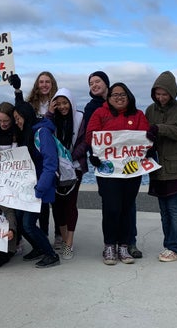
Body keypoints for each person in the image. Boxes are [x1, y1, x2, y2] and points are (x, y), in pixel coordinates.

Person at [85, 82, 150, 265]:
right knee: (111, 208)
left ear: (129, 96)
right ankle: (109, 245)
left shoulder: (138, 115)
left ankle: (124, 245)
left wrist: (149, 144)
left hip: (131, 171)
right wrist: (95, 153)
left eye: (123, 94)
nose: (119, 97)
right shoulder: (100, 113)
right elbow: (90, 136)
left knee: (127, 208)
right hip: (108, 170)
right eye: (115, 94)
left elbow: (145, 137)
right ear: (109, 97)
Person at [145, 71, 177, 262]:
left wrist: (160, 128)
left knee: (174, 209)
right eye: (158, 94)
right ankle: (168, 245)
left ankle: (176, 248)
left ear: (172, 93)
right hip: (158, 168)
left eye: (164, 94)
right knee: (164, 210)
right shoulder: (150, 110)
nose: (161, 97)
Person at [13, 102, 60, 268]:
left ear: (25, 117)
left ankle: (51, 254)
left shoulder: (42, 133)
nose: (17, 122)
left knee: (28, 224)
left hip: (39, 187)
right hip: (27, 187)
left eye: (18, 118)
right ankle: (38, 247)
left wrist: (41, 188)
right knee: (20, 221)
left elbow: (50, 163)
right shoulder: (27, 133)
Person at [46, 88, 87, 260]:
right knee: (57, 206)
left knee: (70, 204)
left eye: (65, 103)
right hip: (56, 168)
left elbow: (86, 141)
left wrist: (70, 156)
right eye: (59, 103)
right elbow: (43, 133)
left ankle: (69, 242)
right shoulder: (52, 119)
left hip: (75, 166)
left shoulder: (80, 118)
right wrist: (49, 114)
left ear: (71, 103)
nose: (63, 107)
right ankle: (63, 238)